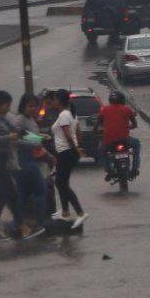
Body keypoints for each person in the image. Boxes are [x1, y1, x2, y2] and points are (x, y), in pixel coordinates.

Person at [0, 90, 31, 241]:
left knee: (12, 195)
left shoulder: (2, 118)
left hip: (2, 161)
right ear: (0, 105)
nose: (9, 108)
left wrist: (35, 138)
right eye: (7, 105)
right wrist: (8, 137)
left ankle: (22, 228)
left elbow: (17, 132)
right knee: (2, 197)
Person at [9, 94, 49, 237]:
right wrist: (35, 142)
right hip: (24, 159)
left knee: (23, 193)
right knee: (40, 190)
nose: (33, 109)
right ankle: (39, 224)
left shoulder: (29, 120)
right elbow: (15, 139)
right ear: (23, 106)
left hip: (27, 159)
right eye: (30, 106)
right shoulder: (19, 120)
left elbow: (27, 135)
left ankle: (17, 224)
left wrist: (40, 137)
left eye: (35, 106)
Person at [48, 89, 87, 228]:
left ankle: (80, 213)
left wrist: (76, 149)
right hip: (66, 153)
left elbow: (68, 136)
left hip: (67, 152)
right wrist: (79, 147)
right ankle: (65, 212)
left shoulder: (64, 115)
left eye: (54, 99)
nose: (52, 101)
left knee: (62, 183)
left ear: (59, 100)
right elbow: (78, 133)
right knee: (61, 182)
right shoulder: (70, 114)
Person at [97, 90, 141, 180]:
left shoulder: (104, 110)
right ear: (122, 100)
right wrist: (129, 127)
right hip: (125, 140)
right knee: (137, 144)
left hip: (109, 141)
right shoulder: (127, 109)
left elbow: (98, 124)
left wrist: (97, 130)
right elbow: (135, 124)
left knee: (101, 150)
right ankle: (135, 168)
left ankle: (109, 170)